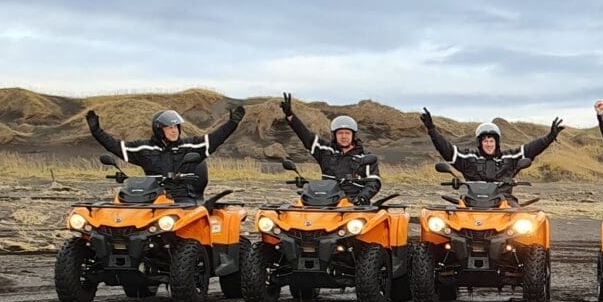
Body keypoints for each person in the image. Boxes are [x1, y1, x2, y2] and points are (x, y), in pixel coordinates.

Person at [86, 105, 243, 199]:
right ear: (159, 130)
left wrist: (232, 124)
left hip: (182, 198)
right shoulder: (144, 148)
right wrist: (96, 131)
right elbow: (115, 146)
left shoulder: (191, 145)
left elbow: (215, 139)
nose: (174, 131)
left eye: (176, 127)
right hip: (153, 196)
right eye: (169, 128)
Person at [421, 107, 565, 193]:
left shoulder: (509, 157)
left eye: (491, 141)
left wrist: (549, 137)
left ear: (497, 143)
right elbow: (447, 150)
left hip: (504, 202)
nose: (489, 144)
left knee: (528, 228)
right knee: (445, 226)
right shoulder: (468, 158)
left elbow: (530, 150)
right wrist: (432, 130)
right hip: (472, 203)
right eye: (485, 141)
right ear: (480, 143)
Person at [279, 93, 381, 201]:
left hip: (352, 202)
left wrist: (362, 197)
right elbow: (306, 137)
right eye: (340, 133)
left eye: (347, 133)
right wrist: (290, 116)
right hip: (326, 200)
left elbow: (374, 182)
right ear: (334, 135)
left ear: (353, 135)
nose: (344, 136)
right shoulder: (325, 150)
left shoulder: (365, 156)